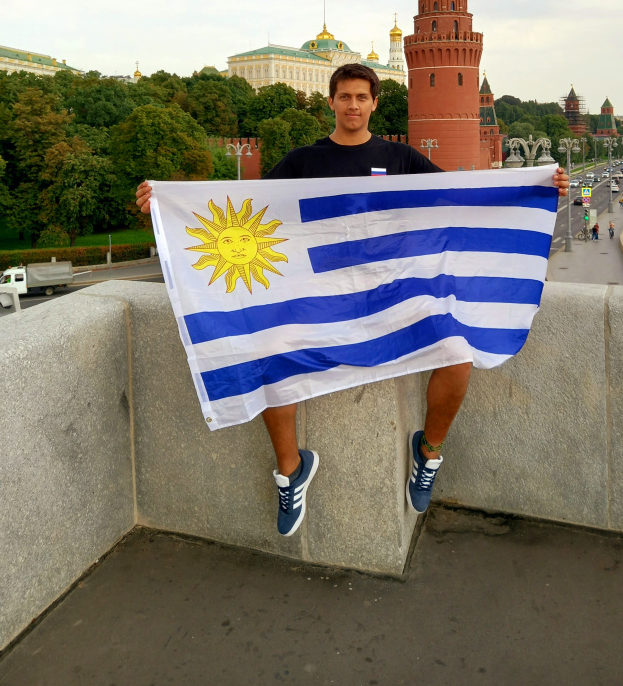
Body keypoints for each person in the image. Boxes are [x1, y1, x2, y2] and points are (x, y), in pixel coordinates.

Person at [136, 63, 570, 535]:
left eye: (362, 97)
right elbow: (243, 211)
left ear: (374, 103)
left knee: (458, 352)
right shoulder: (304, 162)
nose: (353, 105)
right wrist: (163, 205)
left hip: (395, 291)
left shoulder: (401, 158)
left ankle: (428, 452)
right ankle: (291, 469)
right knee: (269, 351)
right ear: (331, 102)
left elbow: (457, 200)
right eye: (344, 97)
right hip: (323, 295)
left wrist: (538, 187)